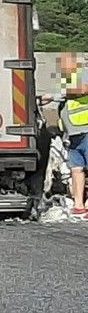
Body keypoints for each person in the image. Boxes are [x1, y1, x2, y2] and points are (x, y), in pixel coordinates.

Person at [56, 53, 88, 216]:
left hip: (86, 131)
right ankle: (79, 205)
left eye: (67, 64)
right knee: (76, 169)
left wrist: (62, 93)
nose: (63, 67)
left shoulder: (84, 75)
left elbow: (83, 90)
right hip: (73, 134)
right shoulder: (68, 80)